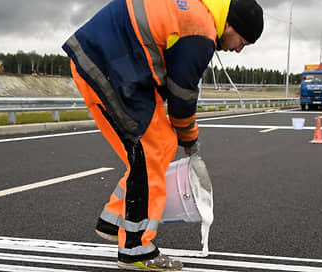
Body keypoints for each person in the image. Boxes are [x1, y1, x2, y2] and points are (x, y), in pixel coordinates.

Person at [62, 0, 263, 270]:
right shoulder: (200, 29)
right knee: (151, 153)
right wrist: (190, 140)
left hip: (116, 63)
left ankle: (114, 220)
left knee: (161, 144)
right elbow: (182, 98)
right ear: (230, 25)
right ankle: (135, 249)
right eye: (242, 41)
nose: (238, 50)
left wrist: (183, 136)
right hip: (110, 64)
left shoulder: (196, 14)